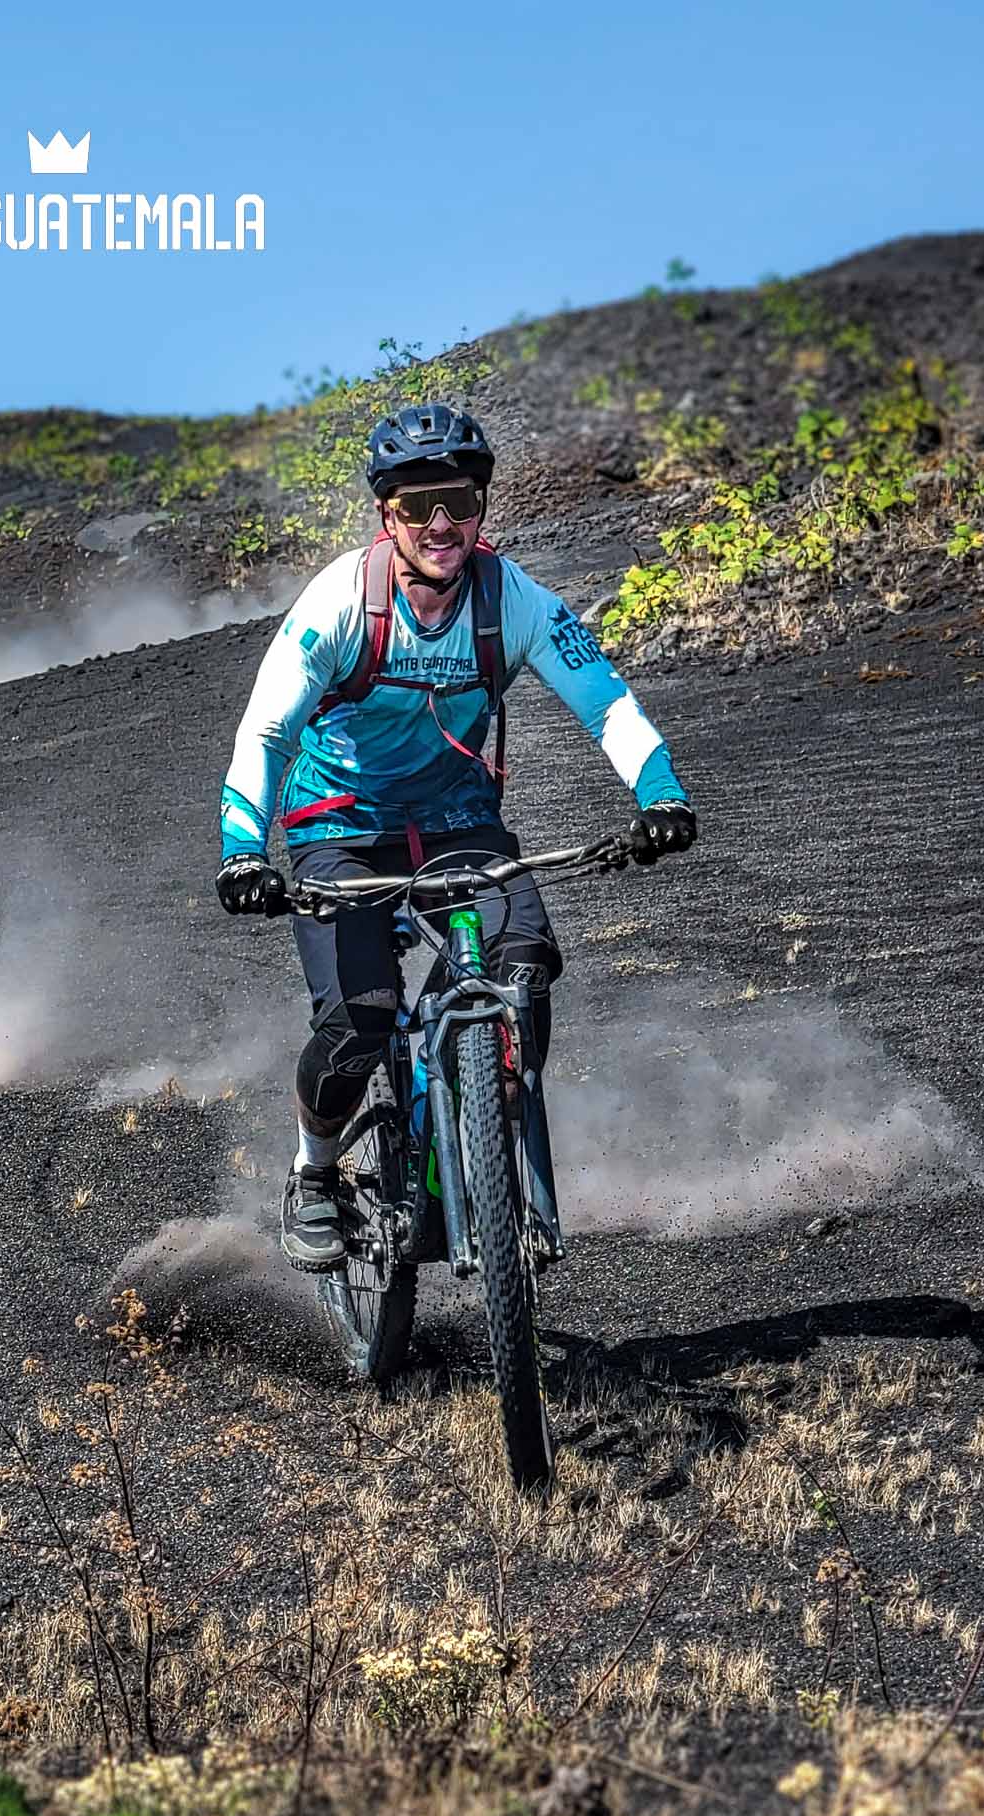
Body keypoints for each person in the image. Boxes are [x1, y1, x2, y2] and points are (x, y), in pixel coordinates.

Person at [215, 404, 698, 1269]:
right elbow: (265, 735)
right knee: (359, 1020)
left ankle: (483, 1101)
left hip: (458, 824)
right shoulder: (337, 605)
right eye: (417, 505)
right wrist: (243, 850)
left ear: (481, 507)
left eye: (461, 502)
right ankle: (316, 1176)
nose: (441, 525)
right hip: (339, 827)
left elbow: (608, 705)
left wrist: (660, 795)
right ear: (385, 514)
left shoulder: (516, 601)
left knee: (521, 963)